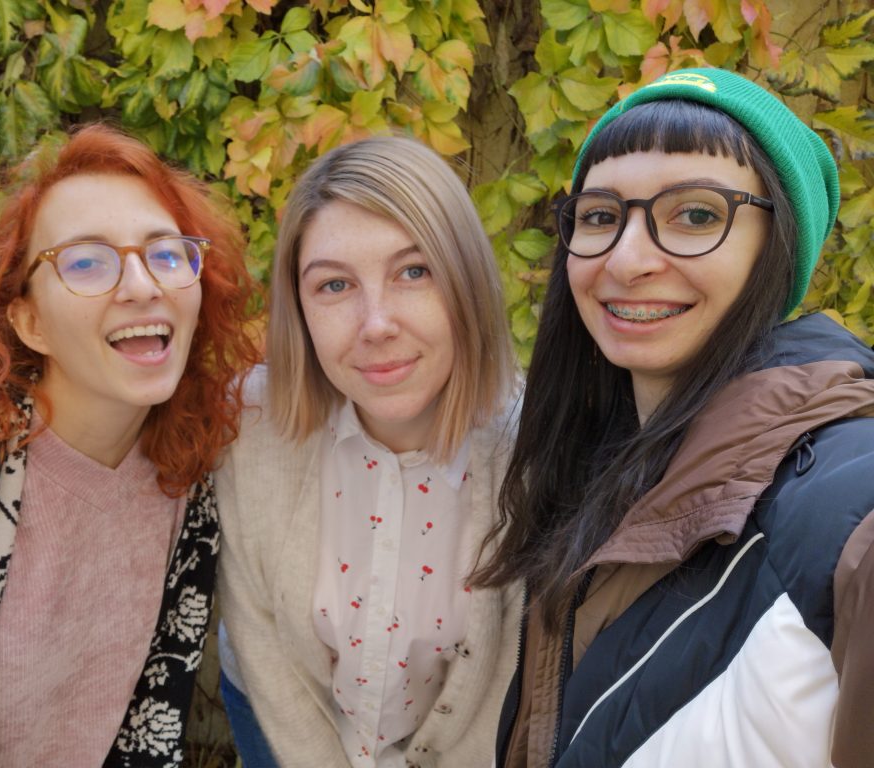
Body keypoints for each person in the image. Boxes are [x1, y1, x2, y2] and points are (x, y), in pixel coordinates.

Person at [475, 68, 874, 768]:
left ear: (778, 247)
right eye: (601, 216)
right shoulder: (590, 471)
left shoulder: (849, 513)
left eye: (695, 215)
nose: (626, 260)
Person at [0, 124, 258, 766]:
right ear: (30, 321)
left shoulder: (187, 481)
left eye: (167, 253)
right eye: (87, 261)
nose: (143, 285)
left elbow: (151, 726)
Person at [215, 134, 523, 767]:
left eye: (414, 272)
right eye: (334, 286)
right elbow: (261, 643)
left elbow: (504, 686)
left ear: (466, 281)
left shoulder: (535, 449)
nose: (376, 324)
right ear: (299, 308)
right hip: (278, 717)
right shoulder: (250, 425)